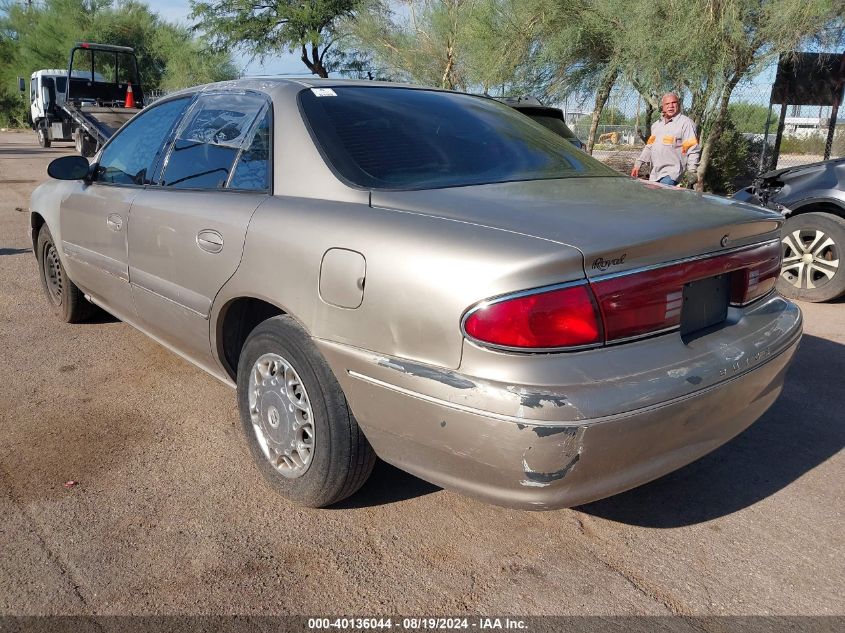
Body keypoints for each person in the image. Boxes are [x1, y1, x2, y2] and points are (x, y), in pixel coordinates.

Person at [631, 93, 700, 186]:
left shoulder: (686, 123)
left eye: (674, 102)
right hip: (655, 173)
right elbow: (649, 147)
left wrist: (692, 170)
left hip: (672, 174)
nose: (671, 106)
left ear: (678, 105)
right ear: (662, 107)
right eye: (667, 104)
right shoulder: (656, 125)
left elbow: (692, 148)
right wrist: (638, 164)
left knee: (663, 198)